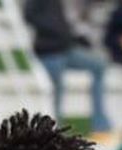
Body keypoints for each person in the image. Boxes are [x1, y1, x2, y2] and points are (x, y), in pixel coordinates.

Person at [23, 0, 113, 133]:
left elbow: (67, 25)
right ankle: (55, 131)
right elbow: (28, 15)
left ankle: (100, 123)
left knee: (99, 65)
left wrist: (73, 37)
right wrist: (54, 29)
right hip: (49, 51)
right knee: (56, 89)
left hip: (67, 49)